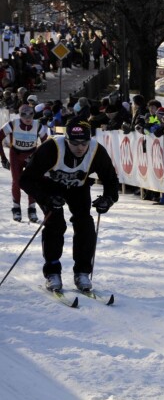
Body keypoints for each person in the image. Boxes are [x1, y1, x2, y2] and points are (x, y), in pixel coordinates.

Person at [20, 119, 119, 292]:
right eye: (74, 143)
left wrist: (108, 199)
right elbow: (25, 180)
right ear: (66, 140)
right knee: (55, 224)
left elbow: (111, 179)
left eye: (84, 142)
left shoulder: (96, 151)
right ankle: (52, 272)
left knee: (85, 224)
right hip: (50, 186)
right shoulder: (51, 148)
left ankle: (82, 272)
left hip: (78, 188)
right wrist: (45, 199)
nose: (80, 147)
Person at [0, 103, 49, 222]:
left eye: (30, 115)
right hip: (15, 155)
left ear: (34, 115)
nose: (27, 118)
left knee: (31, 182)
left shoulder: (38, 126)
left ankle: (32, 209)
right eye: (24, 115)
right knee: (17, 181)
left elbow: (47, 145)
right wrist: (3, 158)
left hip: (31, 155)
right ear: (19, 115)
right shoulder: (12, 124)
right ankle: (16, 208)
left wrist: (43, 160)